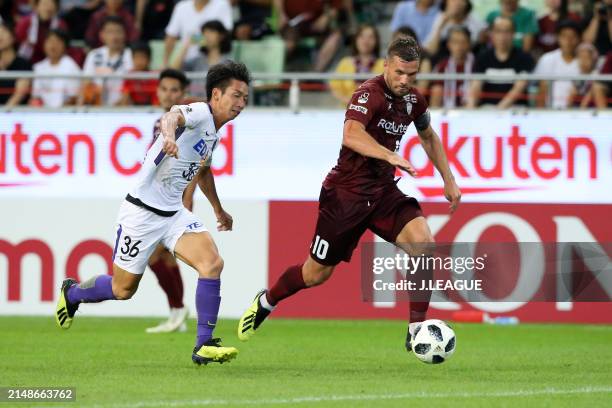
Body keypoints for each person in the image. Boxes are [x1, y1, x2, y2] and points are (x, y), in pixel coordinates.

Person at [237, 38, 461, 352]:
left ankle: (416, 328)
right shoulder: (368, 94)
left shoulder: (414, 101)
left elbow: (428, 135)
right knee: (315, 274)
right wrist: (388, 155)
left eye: (412, 74)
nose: (405, 80)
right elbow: (351, 134)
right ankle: (268, 300)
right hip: (345, 195)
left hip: (382, 192)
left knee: (423, 243)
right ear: (385, 64)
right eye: (399, 73)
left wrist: (448, 179)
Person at [56, 61, 251, 366]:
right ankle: (73, 294)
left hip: (173, 212)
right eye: (236, 96)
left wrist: (218, 208)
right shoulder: (199, 112)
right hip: (142, 213)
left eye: (245, 98)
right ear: (216, 94)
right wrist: (170, 136)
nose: (241, 103)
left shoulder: (213, 132)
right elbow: (171, 114)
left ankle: (204, 345)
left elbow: (204, 170)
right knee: (122, 290)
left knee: (212, 263)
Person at [145, 68, 193, 333]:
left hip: (174, 201)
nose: (168, 94)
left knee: (151, 257)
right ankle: (177, 314)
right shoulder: (161, 122)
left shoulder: (186, 123)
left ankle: (178, 308)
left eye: (174, 90)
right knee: (168, 260)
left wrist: (187, 200)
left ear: (183, 93)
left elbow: (197, 165)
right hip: (160, 199)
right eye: (164, 89)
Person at [467, 16, 534, 108]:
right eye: (498, 31)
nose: (503, 36)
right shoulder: (482, 57)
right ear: (492, 34)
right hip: (487, 109)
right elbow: (476, 86)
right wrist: (470, 108)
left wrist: (498, 111)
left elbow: (519, 87)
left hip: (516, 110)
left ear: (513, 33)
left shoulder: (524, 58)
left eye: (507, 31)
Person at [163, 0, 233, 68]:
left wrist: (196, 39)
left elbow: (226, 33)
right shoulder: (181, 7)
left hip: (214, 58)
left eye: (211, 31)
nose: (207, 35)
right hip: (188, 61)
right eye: (206, 32)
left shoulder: (222, 4)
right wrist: (165, 62)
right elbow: (171, 35)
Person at [81, 16, 133, 106]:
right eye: (110, 32)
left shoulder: (130, 55)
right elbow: (86, 82)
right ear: (102, 35)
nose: (114, 36)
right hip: (96, 107)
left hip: (122, 108)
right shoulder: (93, 55)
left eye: (118, 31)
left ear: (125, 34)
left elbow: (131, 86)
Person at [330, 23, 384, 106]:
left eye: (370, 37)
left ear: (376, 41)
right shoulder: (345, 63)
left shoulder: (384, 64)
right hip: (346, 112)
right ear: (355, 40)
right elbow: (335, 89)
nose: (366, 41)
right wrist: (350, 102)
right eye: (362, 36)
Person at [534, 20, 580, 108]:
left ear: (579, 39)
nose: (568, 41)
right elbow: (542, 89)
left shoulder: (583, 62)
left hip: (576, 112)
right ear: (558, 38)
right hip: (551, 110)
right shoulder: (547, 59)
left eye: (573, 36)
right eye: (564, 36)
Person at [30, 28, 81, 107]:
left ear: (65, 46)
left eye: (57, 42)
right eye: (50, 41)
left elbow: (74, 98)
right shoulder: (38, 67)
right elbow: (35, 97)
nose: (53, 45)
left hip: (64, 113)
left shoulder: (71, 67)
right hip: (42, 114)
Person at [430, 25, 474, 108]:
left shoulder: (476, 64)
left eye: (463, 42)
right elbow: (436, 97)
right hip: (447, 112)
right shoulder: (442, 66)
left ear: (469, 44)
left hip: (470, 112)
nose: (459, 46)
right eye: (455, 42)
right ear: (449, 44)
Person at [0, 22, 31, 106]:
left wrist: (4, 112)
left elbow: (20, 93)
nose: (0, 35)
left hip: (14, 113)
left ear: (13, 37)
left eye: (4, 32)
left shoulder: (23, 64)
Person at [120, 41, 157, 106]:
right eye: (136, 57)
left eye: (142, 57)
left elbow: (156, 100)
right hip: (134, 110)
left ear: (149, 59)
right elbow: (125, 98)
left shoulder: (154, 77)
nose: (139, 61)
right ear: (132, 58)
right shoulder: (129, 76)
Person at [567, 42, 598, 107]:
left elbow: (591, 91)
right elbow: (574, 90)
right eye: (581, 58)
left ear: (593, 60)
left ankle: (581, 110)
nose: (584, 61)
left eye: (587, 58)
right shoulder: (576, 73)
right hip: (577, 102)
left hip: (591, 104)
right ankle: (567, 109)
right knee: (572, 92)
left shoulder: (595, 73)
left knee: (592, 90)